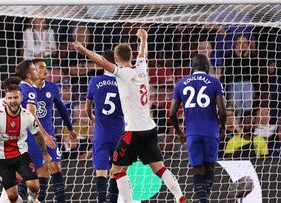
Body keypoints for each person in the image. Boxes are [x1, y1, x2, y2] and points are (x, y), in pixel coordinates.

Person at [72, 28, 187, 203]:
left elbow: (102, 61)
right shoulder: (141, 67)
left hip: (133, 132)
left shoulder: (123, 73)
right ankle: (180, 196)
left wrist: (84, 50)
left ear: (117, 60)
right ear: (131, 56)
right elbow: (142, 53)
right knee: (159, 168)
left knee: (117, 171)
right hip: (150, 128)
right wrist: (143, 38)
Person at [0, 84, 55, 203]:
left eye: (16, 97)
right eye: (10, 98)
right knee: (14, 191)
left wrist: (45, 152)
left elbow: (37, 134)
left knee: (31, 184)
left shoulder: (26, 115)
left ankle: (32, 199)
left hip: (18, 154)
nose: (13, 101)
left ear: (21, 97)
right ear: (6, 98)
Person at [170, 54, 227, 203]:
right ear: (207, 67)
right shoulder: (215, 82)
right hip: (211, 130)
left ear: (192, 67)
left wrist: (179, 132)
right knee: (210, 167)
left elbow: (171, 114)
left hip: (192, 133)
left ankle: (203, 201)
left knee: (197, 169)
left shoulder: (181, 83)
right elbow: (222, 111)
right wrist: (223, 128)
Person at [32, 58, 77, 203]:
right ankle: (38, 199)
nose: (45, 70)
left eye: (46, 67)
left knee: (55, 167)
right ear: (33, 71)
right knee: (37, 172)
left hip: (49, 136)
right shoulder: (25, 89)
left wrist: (70, 128)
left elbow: (62, 108)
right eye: (41, 67)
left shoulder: (52, 88)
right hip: (31, 137)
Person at [85, 49, 124, 203]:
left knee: (101, 171)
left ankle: (102, 200)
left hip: (101, 134)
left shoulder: (94, 81)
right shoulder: (123, 81)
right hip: (120, 133)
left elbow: (87, 107)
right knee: (116, 171)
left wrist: (91, 117)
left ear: (102, 61)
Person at [15, 60, 55, 200]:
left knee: (20, 177)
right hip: (30, 139)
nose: (37, 71)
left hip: (17, 138)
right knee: (42, 172)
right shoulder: (29, 90)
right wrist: (44, 135)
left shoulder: (16, 89)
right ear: (28, 74)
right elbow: (31, 116)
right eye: (34, 69)